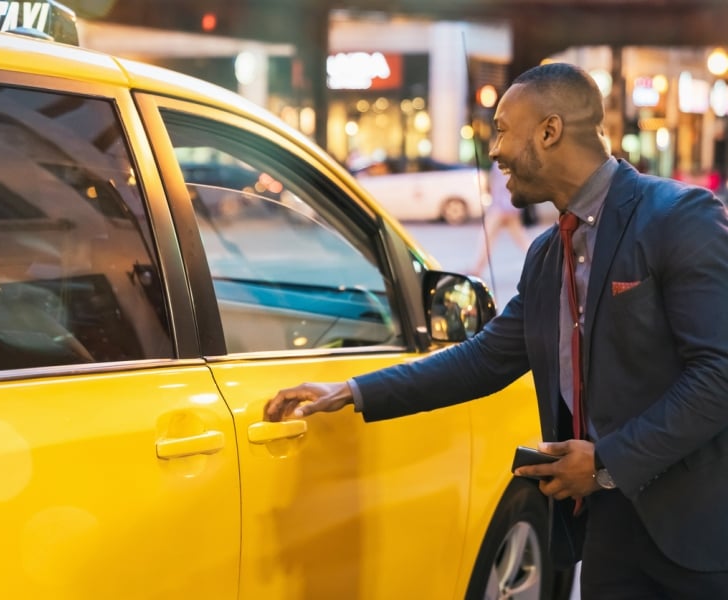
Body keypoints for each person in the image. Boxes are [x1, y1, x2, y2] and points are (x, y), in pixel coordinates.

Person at [265, 62, 728, 599]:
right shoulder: (546, 254)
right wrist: (350, 390)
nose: (494, 150)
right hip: (606, 533)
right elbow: (482, 360)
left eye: (503, 129)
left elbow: (719, 374)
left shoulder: (677, 217)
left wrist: (605, 464)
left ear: (550, 131)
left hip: (698, 536)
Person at [470, 159, 532, 277]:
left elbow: (499, 186)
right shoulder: (513, 162)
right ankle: (542, 259)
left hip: (500, 207)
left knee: (486, 238)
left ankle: (477, 269)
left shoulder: (502, 163)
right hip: (509, 207)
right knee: (521, 239)